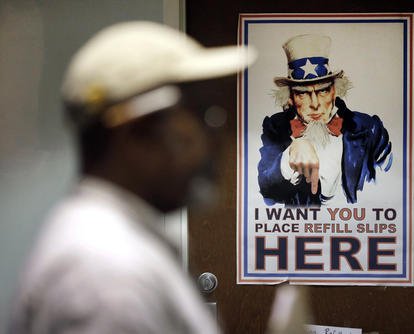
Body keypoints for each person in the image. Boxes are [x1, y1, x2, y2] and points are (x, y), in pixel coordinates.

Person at [10, 21, 255, 333]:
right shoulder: (105, 277)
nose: (214, 137)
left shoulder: (114, 245)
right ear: (135, 133)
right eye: (201, 116)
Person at [258, 34, 392, 206]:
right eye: (302, 93)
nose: (315, 104)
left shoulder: (368, 128)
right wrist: (290, 154)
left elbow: (392, 180)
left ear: (335, 92)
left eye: (322, 91)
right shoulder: (276, 127)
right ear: (290, 99)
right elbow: (266, 190)